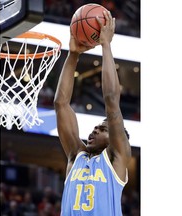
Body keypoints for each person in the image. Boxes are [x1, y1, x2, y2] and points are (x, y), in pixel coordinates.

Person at [53, 10, 131, 216]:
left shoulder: (116, 160)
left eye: (103, 129)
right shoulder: (75, 157)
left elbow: (112, 101)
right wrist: (73, 55)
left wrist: (106, 45)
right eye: (96, 127)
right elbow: (61, 104)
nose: (95, 130)